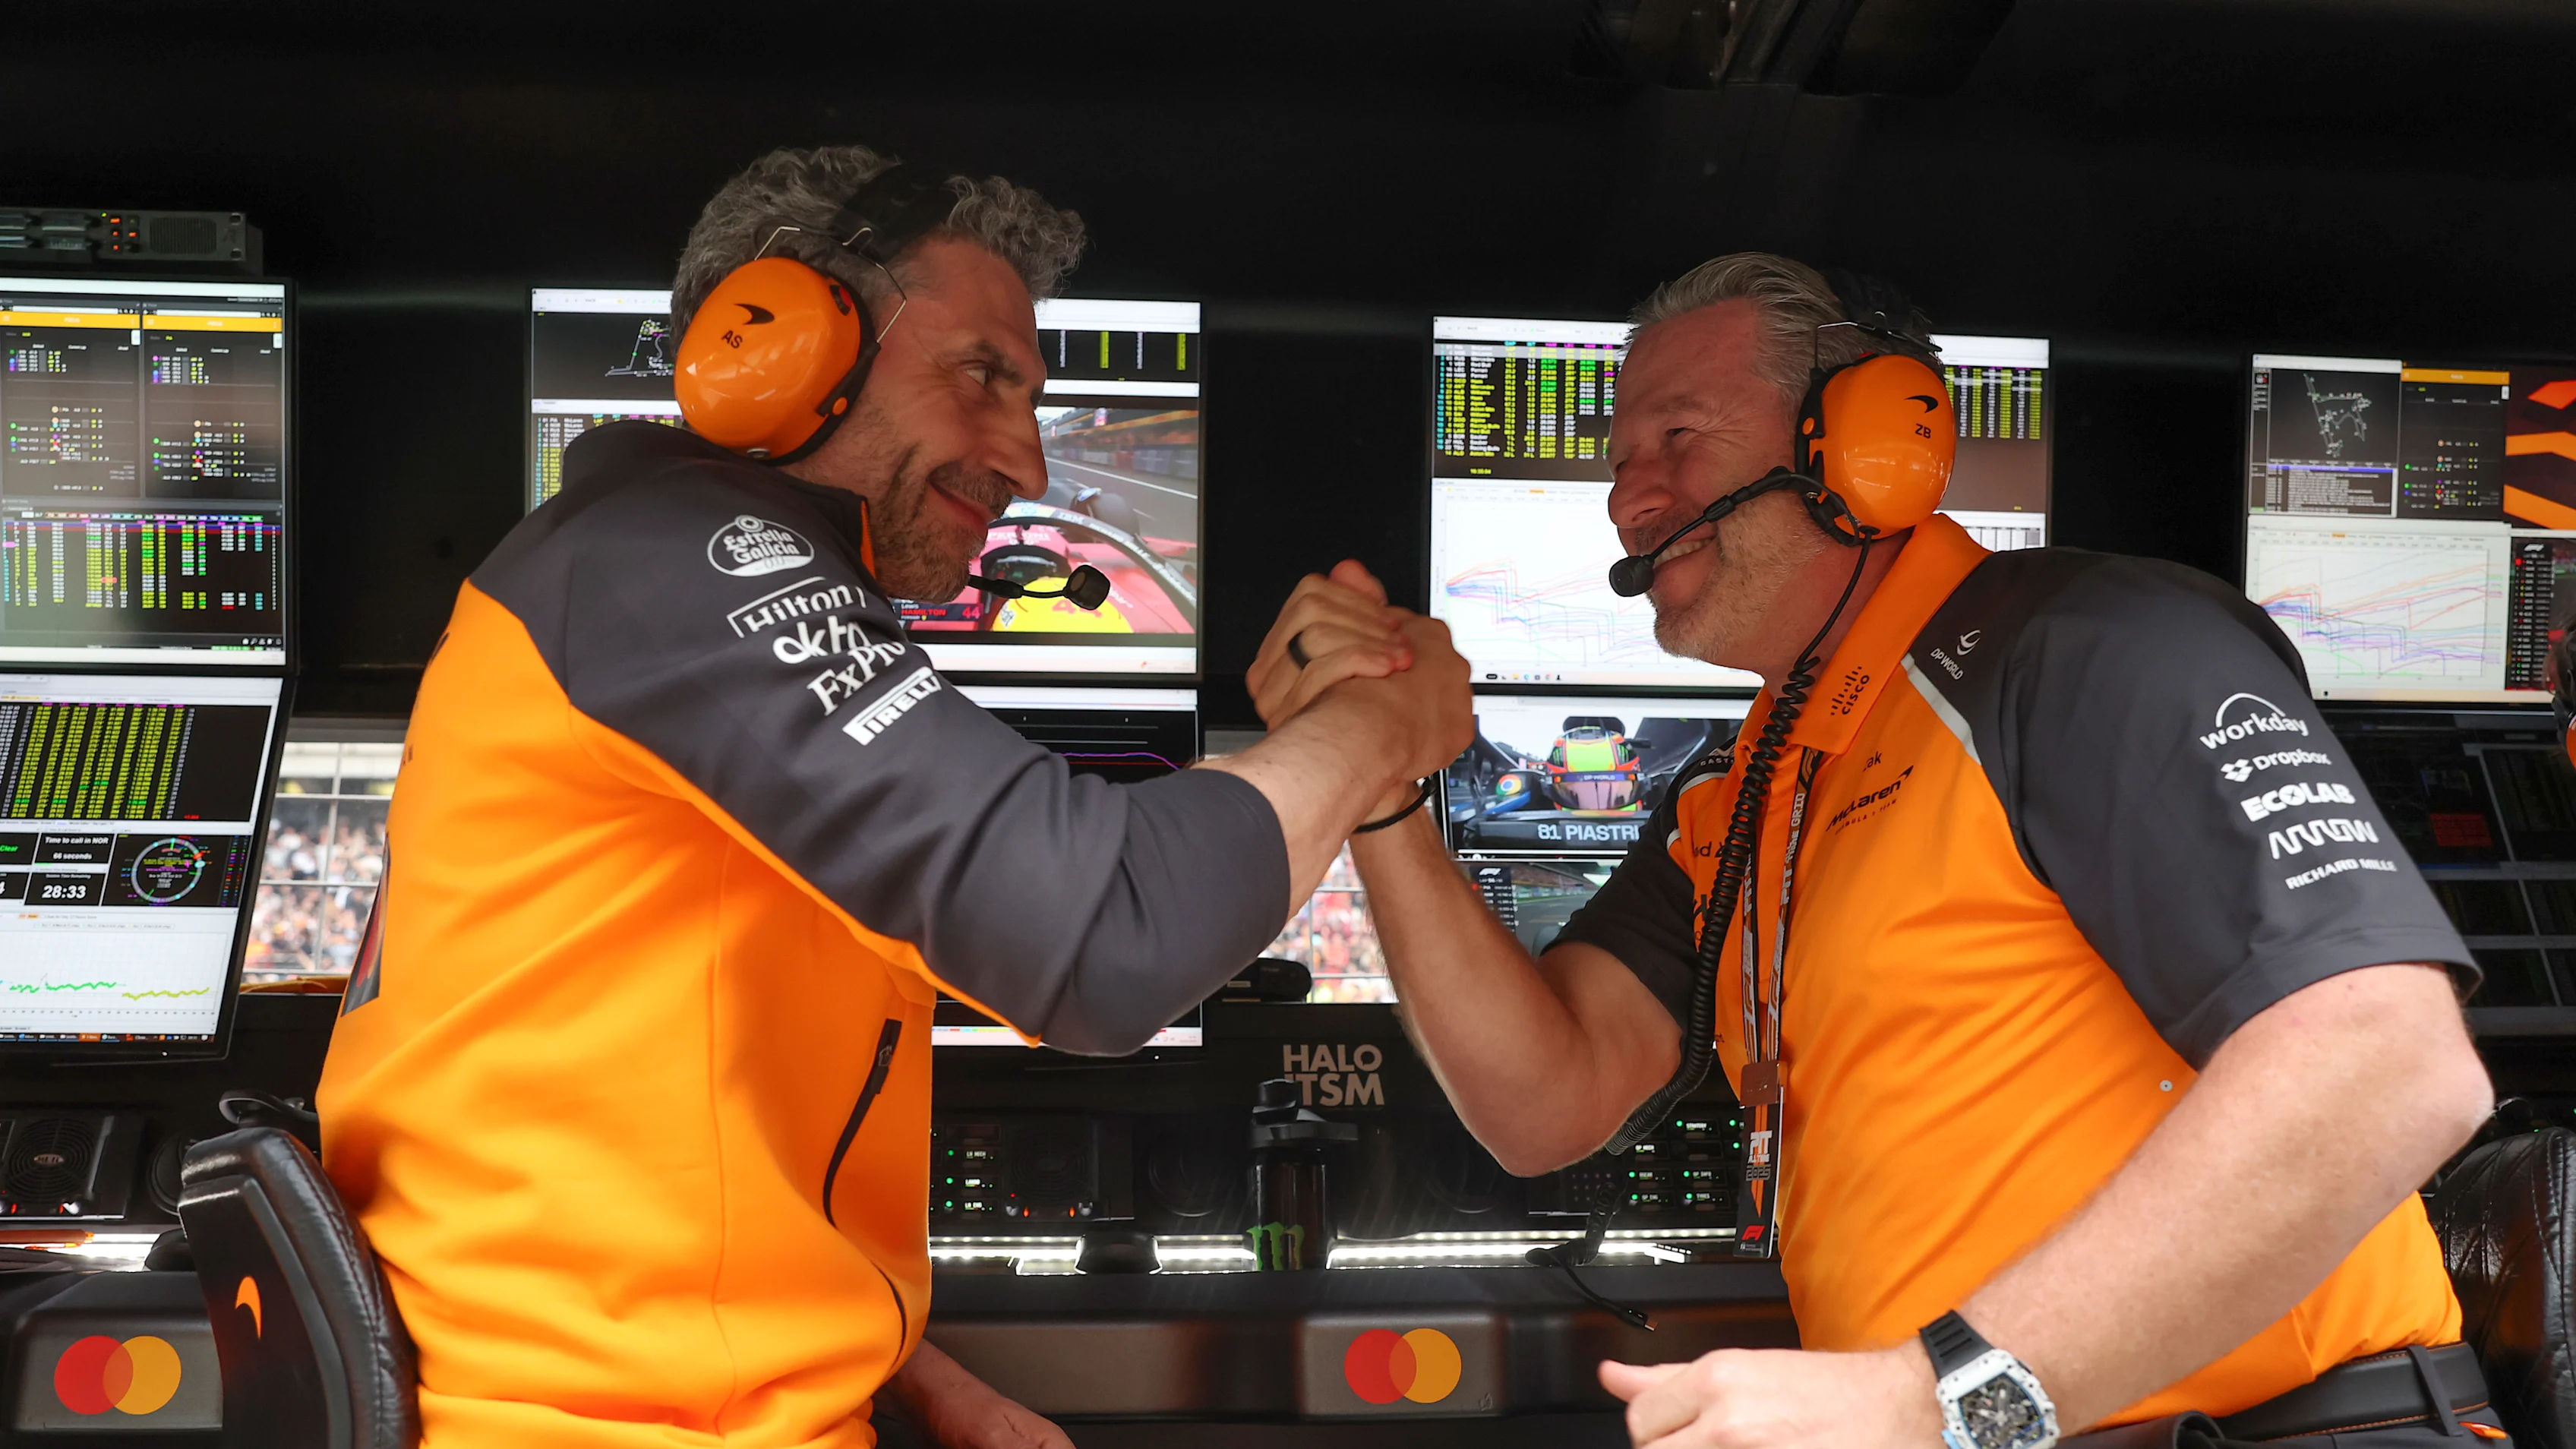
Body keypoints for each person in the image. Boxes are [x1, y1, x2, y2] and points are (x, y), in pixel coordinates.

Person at [315, 144, 1470, 1449]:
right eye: (982, 376)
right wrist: (1377, 727)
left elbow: (654, 1125)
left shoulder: (635, 578)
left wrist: (907, 1368)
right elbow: (1108, 937)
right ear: (776, 342)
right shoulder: (683, 561)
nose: (1027, 462)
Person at [1253, 254, 2502, 1447]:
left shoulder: (2082, 648)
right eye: (1621, 459)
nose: (1632, 497)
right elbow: (1547, 1104)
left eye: (1681, 436)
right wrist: (1380, 785)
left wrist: (1932, 1403)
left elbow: (2390, 1065)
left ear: (1869, 441)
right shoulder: (1747, 793)